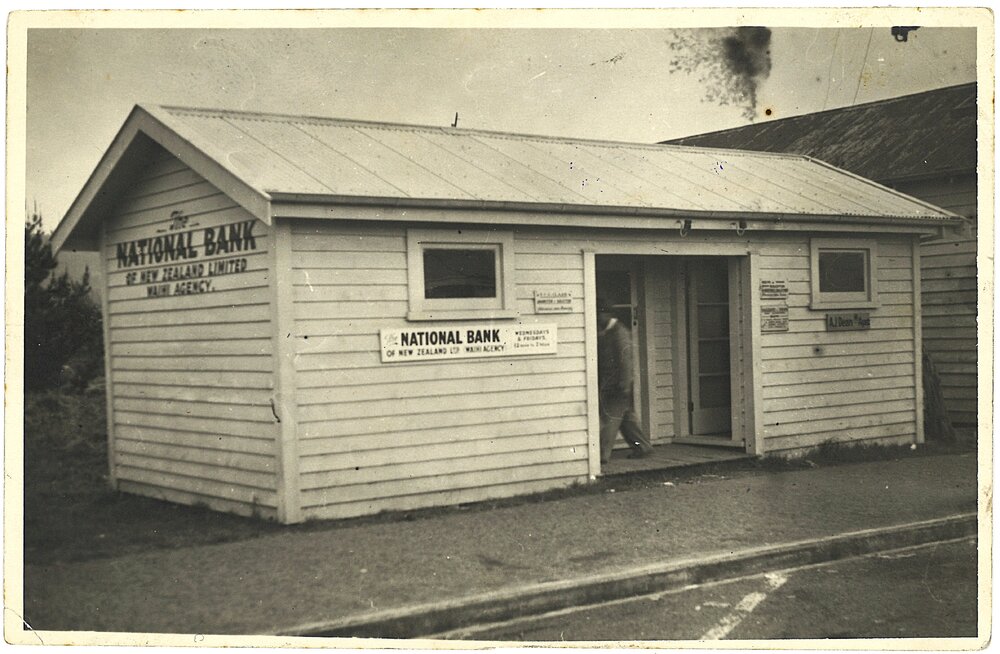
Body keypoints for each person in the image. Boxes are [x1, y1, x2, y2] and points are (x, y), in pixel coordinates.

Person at [597, 298, 654, 464]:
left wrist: (624, 384)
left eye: (600, 315)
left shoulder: (619, 333)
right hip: (609, 384)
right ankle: (642, 447)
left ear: (606, 314)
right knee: (626, 419)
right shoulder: (606, 333)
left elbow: (626, 361)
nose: (598, 319)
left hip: (617, 386)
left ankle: (601, 455)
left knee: (610, 419)